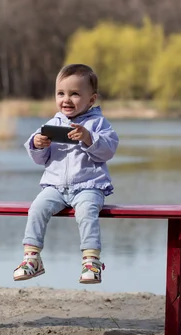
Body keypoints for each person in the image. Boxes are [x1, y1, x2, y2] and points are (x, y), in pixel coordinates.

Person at [14, 63, 119, 284]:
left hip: (89, 186)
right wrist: (37, 143)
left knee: (86, 213)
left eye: (74, 94)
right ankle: (32, 257)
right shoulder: (53, 123)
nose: (66, 100)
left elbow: (108, 151)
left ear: (91, 99)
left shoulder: (98, 123)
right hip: (55, 188)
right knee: (37, 209)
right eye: (61, 93)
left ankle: (91, 261)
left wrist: (88, 138)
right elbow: (40, 159)